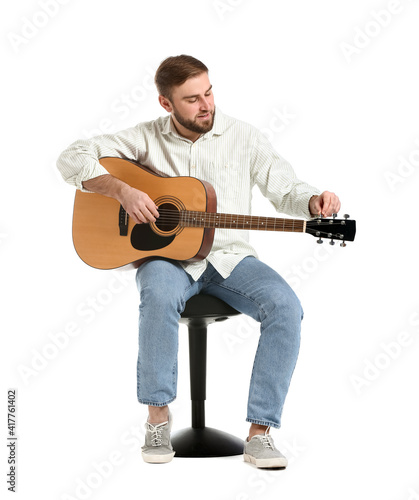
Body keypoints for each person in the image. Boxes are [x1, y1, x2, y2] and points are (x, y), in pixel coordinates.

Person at [57, 54, 341, 468]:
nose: (206, 104)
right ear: (165, 104)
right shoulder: (145, 138)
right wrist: (121, 190)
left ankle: (260, 434)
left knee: (286, 307)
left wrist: (313, 202)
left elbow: (286, 189)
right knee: (156, 293)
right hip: (168, 260)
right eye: (191, 99)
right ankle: (158, 420)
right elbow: (71, 157)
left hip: (230, 258)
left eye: (208, 92)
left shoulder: (244, 136)